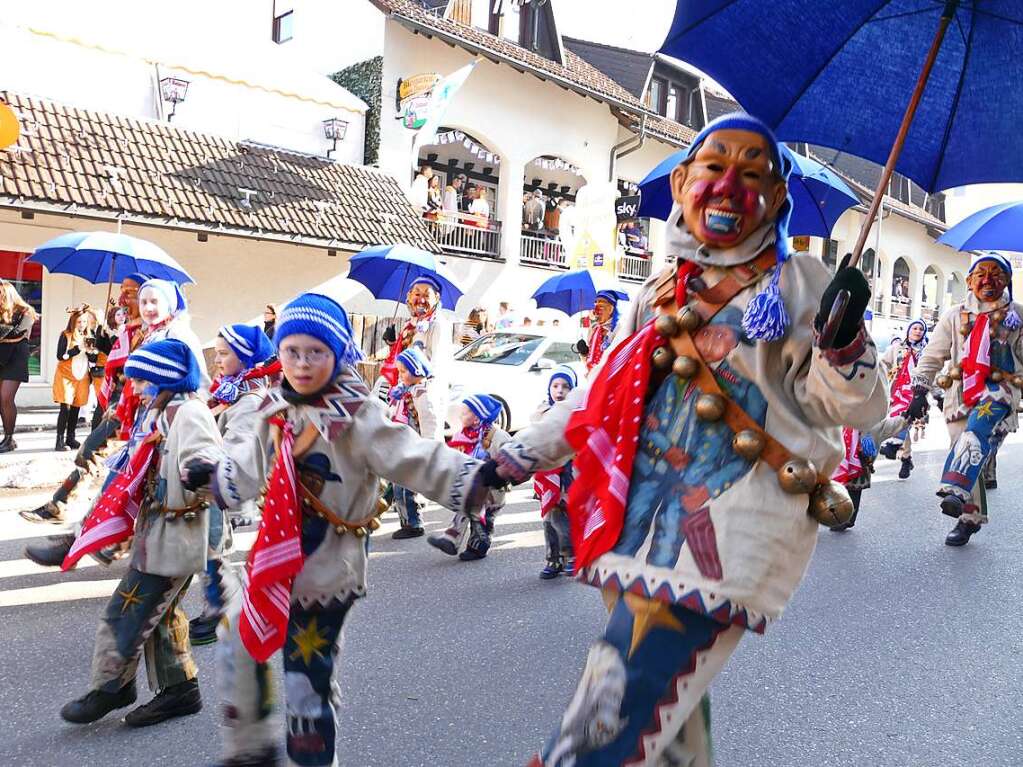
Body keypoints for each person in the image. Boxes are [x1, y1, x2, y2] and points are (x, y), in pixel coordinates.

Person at [475, 112, 886, 765]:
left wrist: (843, 342)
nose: (727, 187)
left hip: (728, 538)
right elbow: (602, 391)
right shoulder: (660, 289)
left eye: (751, 175)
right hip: (636, 524)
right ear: (680, 180)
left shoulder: (799, 286)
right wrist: (514, 457)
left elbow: (857, 410)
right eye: (713, 168)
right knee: (666, 727)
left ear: (777, 199)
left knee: (607, 710)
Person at [184, 293, 486, 767]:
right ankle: (252, 748)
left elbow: (413, 455)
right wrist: (212, 476)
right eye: (292, 352)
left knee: (307, 679)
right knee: (239, 640)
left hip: (327, 575)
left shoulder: (358, 416)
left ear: (337, 353)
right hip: (275, 562)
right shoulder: (272, 410)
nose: (302, 364)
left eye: (316, 353)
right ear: (278, 353)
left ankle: (312, 755)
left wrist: (477, 478)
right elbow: (243, 469)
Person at [59, 338, 220, 728]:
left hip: (179, 533)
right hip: (160, 530)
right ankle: (180, 690)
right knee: (160, 614)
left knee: (127, 609)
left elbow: (207, 461)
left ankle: (110, 686)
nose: (137, 387)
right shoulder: (160, 410)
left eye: (143, 380)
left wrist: (197, 471)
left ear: (163, 377)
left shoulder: (189, 413)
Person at [909, 252, 1023, 547]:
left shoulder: (1018, 316)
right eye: (981, 274)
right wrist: (919, 391)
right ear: (970, 280)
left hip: (999, 392)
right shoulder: (954, 315)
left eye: (996, 274)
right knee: (964, 446)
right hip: (959, 395)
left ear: (1007, 280)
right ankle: (969, 519)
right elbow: (933, 355)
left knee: (974, 434)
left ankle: (954, 490)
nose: (988, 280)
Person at [189, 323, 279, 646]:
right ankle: (223, 601)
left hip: (224, 485)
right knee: (205, 545)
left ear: (245, 357)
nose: (217, 360)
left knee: (210, 546)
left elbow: (240, 445)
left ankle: (222, 606)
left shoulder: (250, 400)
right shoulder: (228, 391)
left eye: (224, 354)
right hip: (212, 485)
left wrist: (211, 462)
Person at [428, 394, 509, 561]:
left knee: (481, 518)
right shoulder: (464, 435)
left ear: (478, 417)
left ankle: (475, 545)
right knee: (468, 509)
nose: (460, 416)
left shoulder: (497, 436)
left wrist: (496, 472)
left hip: (494, 488)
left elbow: (510, 459)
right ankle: (454, 540)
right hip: (474, 486)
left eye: (465, 413)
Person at [378, 275, 450, 440]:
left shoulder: (438, 324)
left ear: (437, 298)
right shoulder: (409, 325)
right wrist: (392, 342)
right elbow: (403, 357)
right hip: (405, 393)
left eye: (427, 294)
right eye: (417, 294)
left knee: (428, 443)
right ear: (409, 297)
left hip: (426, 394)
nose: (421, 299)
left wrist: (420, 385)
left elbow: (438, 363)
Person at [387, 347, 438, 539]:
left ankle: (413, 523)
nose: (400, 375)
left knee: (405, 485)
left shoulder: (421, 394)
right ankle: (405, 518)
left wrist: (428, 447)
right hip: (401, 443)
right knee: (396, 483)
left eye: (403, 371)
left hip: (413, 445)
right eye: (398, 371)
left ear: (416, 370)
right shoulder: (405, 390)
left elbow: (428, 420)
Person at [532, 366, 577, 579]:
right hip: (546, 473)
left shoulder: (575, 413)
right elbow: (535, 440)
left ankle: (572, 555)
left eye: (566, 386)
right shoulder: (541, 412)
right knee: (548, 518)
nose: (559, 391)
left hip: (567, 473)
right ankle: (553, 559)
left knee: (561, 515)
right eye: (555, 386)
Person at [830, 415, 906, 532]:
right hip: (845, 456)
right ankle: (841, 517)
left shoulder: (871, 421)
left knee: (853, 490)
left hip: (859, 461)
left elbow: (890, 426)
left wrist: (906, 417)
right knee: (843, 489)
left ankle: (847, 518)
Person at [878, 319, 928, 479]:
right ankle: (906, 458)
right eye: (915, 328)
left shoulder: (927, 351)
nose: (918, 331)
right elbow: (883, 363)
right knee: (899, 421)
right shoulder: (897, 348)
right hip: (897, 391)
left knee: (904, 418)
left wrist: (938, 394)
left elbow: (932, 371)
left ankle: (895, 446)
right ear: (908, 330)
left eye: (921, 329)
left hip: (915, 393)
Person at [0, 280, 38, 453]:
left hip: (16, 359)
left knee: (6, 397)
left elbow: (16, 333)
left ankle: (9, 438)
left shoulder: (26, 312)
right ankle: (8, 439)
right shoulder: (2, 313)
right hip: (2, 357)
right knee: (1, 399)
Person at [52, 306, 92, 452]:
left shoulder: (89, 336)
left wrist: (91, 351)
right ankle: (59, 441)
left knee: (76, 407)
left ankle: (71, 437)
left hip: (82, 376)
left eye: (85, 322)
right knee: (66, 408)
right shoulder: (66, 335)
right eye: (80, 321)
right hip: (66, 375)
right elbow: (60, 355)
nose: (82, 324)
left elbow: (92, 358)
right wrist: (78, 349)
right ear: (73, 321)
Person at [574, 291, 621, 373]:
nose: (595, 311)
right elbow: (589, 359)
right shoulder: (594, 328)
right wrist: (584, 352)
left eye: (601, 306)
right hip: (592, 376)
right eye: (595, 305)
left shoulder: (619, 329)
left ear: (610, 309)